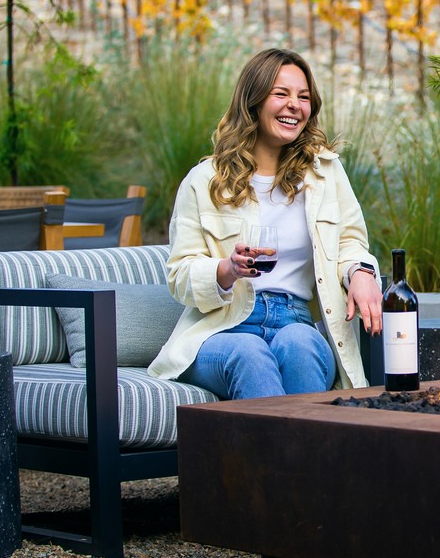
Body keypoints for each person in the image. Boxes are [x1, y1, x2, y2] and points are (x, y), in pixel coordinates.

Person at [149, 48, 383, 399]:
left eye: (303, 97)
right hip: (223, 328)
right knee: (249, 353)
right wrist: (226, 270)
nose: (295, 105)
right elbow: (179, 275)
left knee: (300, 344)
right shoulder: (204, 180)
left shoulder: (326, 174)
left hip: (296, 319)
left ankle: (285, 453)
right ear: (254, 102)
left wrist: (362, 273)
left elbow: (350, 242)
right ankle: (295, 453)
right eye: (281, 94)